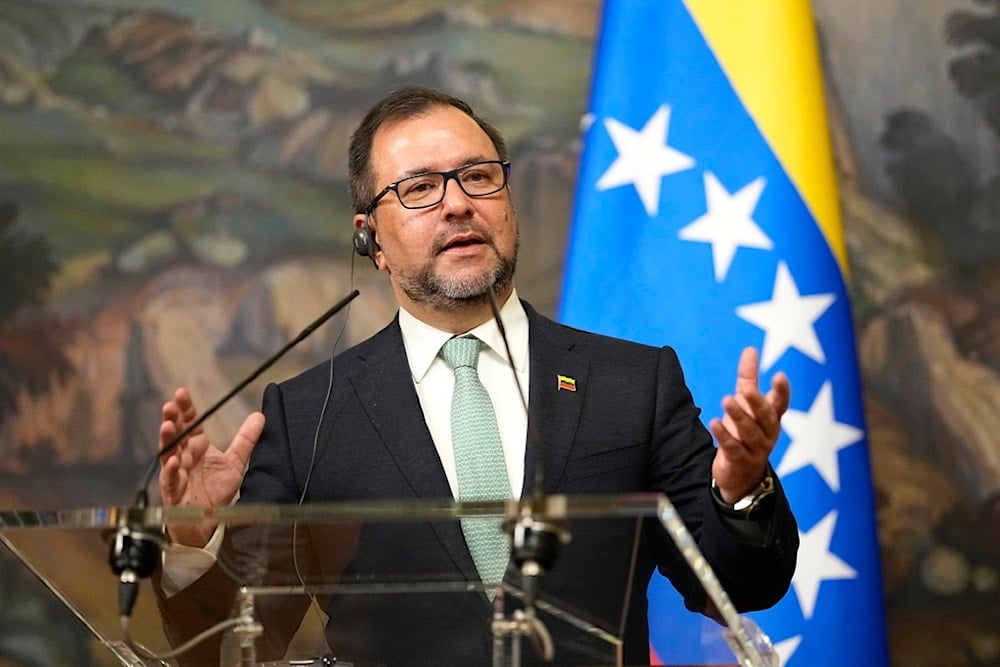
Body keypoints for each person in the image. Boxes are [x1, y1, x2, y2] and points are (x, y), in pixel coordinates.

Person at [154, 85, 798, 666]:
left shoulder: (632, 382)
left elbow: (744, 584)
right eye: (419, 189)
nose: (458, 204)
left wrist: (739, 490)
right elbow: (229, 647)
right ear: (370, 239)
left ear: (509, 205)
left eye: (478, 177)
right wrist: (194, 538)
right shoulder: (306, 417)